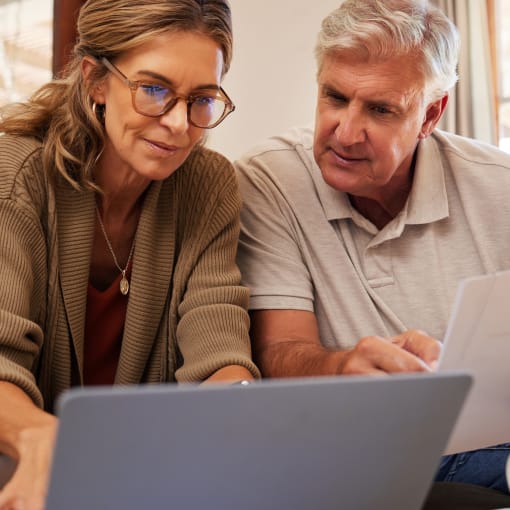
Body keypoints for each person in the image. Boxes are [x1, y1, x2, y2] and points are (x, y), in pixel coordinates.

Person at [236, 0, 510, 499]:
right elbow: (276, 352)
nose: (345, 132)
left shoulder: (501, 189)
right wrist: (344, 369)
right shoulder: (269, 179)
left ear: (430, 114)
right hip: (349, 456)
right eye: (334, 97)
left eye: (380, 110)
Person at [0, 0, 260, 508]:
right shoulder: (16, 175)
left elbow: (217, 347)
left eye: (202, 99)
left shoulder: (209, 185)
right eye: (155, 91)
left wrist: (241, 408)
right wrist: (40, 436)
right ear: (95, 79)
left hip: (142, 474)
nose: (180, 125)